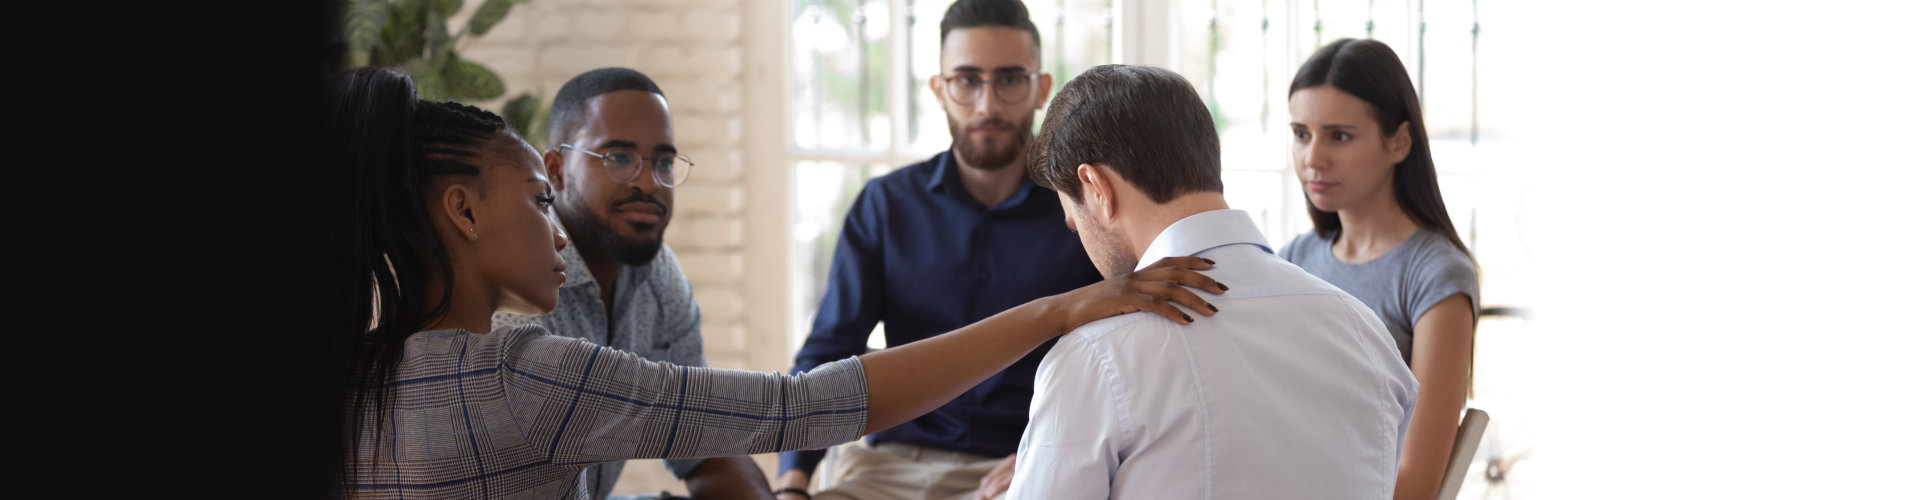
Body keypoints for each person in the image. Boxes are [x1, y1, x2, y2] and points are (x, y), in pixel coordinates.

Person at [323, 66, 1227, 499]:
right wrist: (1062, 308)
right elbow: (807, 403)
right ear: (463, 211)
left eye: (665, 159)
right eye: (534, 197)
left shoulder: (362, 368)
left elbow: (710, 450)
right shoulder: (526, 369)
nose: (549, 220)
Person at [1008, 64, 1418, 499]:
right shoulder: (1366, 334)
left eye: (1075, 222)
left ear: (1096, 188)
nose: (1081, 238)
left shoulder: (1096, 357)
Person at [775, 1, 1101, 499]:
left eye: (1009, 80)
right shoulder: (885, 205)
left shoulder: (1087, 207)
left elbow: (1130, 350)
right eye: (967, 81)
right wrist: (792, 483)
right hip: (888, 468)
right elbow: (829, 350)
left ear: (1040, 89)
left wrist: (1061, 447)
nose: (987, 106)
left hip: (1027, 466)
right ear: (939, 89)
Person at [486, 67, 767, 500]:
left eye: (664, 162)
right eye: (618, 158)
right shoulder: (512, 285)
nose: (648, 182)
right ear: (555, 172)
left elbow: (703, 441)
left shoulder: (656, 273)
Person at [1275, 38, 1480, 500]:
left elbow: (1417, 482)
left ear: (1399, 142)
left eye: (1339, 136)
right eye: (1301, 134)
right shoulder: (1293, 259)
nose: (1313, 159)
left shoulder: (1435, 274)